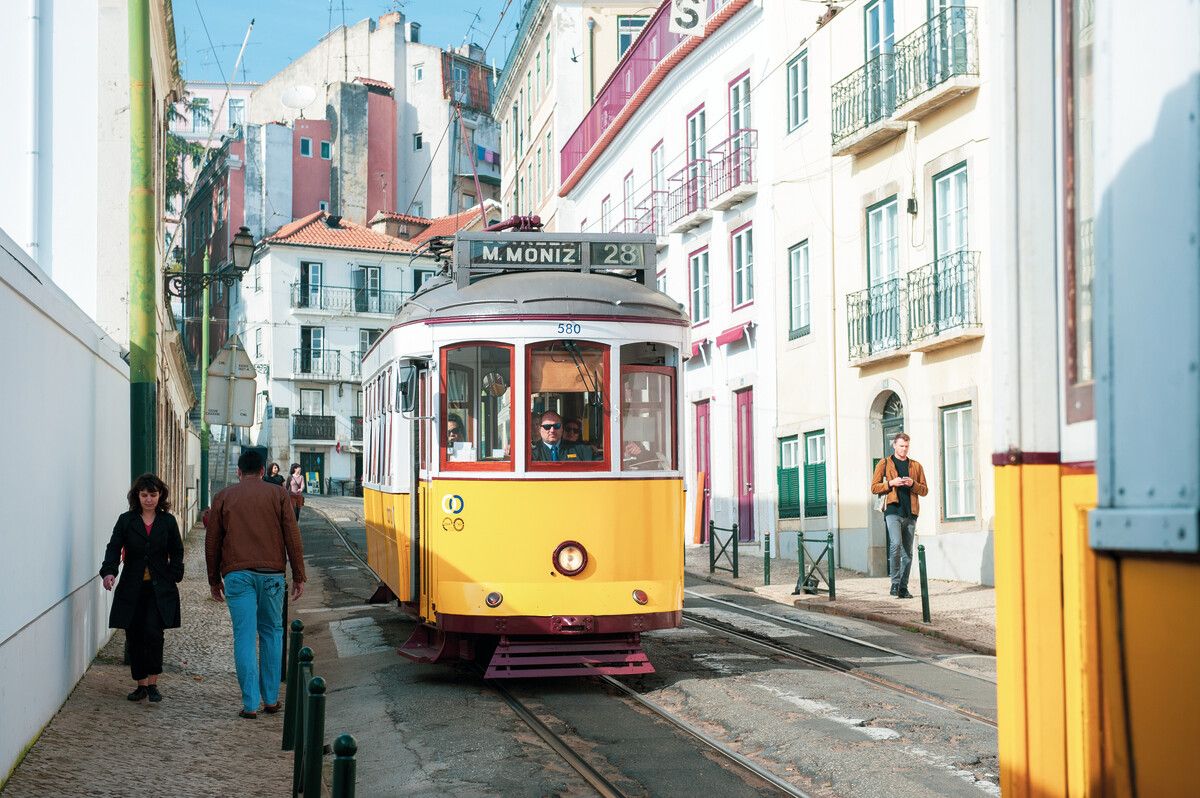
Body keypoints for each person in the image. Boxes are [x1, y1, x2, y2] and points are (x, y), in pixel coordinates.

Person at [206, 449, 306, 718]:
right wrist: (298, 575)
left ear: (238, 472)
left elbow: (212, 542)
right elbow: (292, 536)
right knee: (272, 633)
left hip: (237, 575)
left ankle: (250, 704)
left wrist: (214, 580)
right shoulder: (278, 495)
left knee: (244, 636)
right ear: (263, 471)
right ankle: (271, 699)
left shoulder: (223, 497)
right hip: (272, 575)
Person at [99, 474, 184, 703]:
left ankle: (153, 683)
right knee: (134, 635)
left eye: (153, 495)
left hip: (159, 588)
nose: (148, 499)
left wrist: (174, 573)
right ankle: (141, 685)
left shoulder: (167, 522)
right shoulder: (126, 520)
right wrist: (109, 572)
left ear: (160, 495)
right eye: (144, 495)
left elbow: (177, 550)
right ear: (137, 496)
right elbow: (113, 547)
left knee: (154, 633)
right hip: (132, 588)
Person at [870, 432, 929, 599]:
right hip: (892, 510)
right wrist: (891, 483)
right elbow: (874, 487)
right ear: (894, 445)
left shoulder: (916, 466)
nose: (904, 449)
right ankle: (895, 583)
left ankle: (903, 587)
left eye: (906, 446)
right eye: (901, 446)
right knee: (895, 544)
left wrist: (913, 484)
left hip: (911, 512)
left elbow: (924, 490)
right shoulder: (884, 463)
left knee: (908, 553)